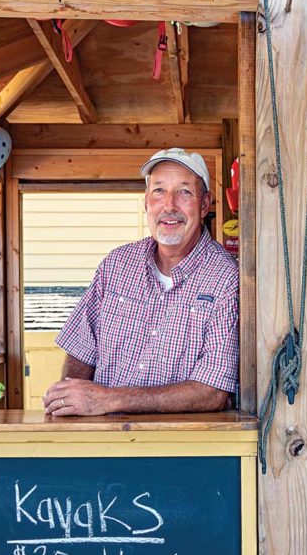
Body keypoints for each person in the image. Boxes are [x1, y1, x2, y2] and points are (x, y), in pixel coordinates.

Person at [44, 148, 239, 416]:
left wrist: (109, 400)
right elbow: (82, 350)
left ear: (205, 204)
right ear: (146, 202)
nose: (169, 205)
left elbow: (213, 391)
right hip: (104, 441)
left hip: (186, 447)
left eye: (184, 192)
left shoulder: (227, 277)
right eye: (159, 191)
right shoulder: (117, 265)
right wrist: (70, 402)